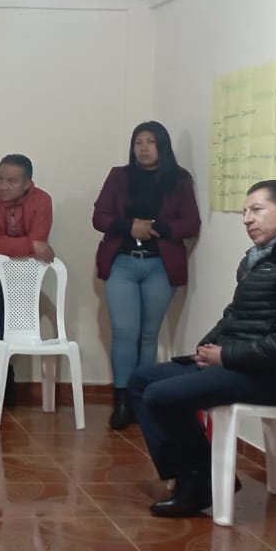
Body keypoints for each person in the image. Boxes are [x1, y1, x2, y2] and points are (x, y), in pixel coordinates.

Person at [128, 180, 276, 517]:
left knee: (162, 395)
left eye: (256, 210)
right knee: (141, 380)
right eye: (245, 212)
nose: (247, 219)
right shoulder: (258, 258)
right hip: (240, 363)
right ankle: (199, 474)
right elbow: (234, 315)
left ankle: (196, 481)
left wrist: (225, 356)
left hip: (275, 376)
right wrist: (208, 347)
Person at [93, 121, 201, 430]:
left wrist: (157, 228)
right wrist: (130, 227)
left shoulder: (179, 179)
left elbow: (191, 223)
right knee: (124, 332)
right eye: (138, 142)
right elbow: (99, 217)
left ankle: (142, 401)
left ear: (162, 146)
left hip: (159, 266)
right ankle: (122, 401)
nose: (143, 148)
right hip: (122, 263)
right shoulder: (119, 176)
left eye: (150, 141)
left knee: (149, 335)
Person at [0, 154, 54, 407]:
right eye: (0, 178)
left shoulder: (42, 200)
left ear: (27, 183)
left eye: (12, 181)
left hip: (26, 266)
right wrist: (31, 245)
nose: (3, 186)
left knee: (17, 321)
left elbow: (39, 238)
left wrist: (27, 246)